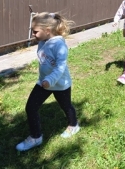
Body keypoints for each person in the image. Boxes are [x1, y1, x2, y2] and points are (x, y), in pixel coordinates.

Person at [16, 12, 80, 152]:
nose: (33, 34)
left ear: (47, 31)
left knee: (66, 106)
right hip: (43, 83)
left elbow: (60, 67)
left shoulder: (60, 46)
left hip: (60, 84)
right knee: (31, 107)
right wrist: (45, 80)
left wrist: (49, 80)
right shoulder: (42, 41)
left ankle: (73, 125)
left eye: (35, 31)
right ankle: (36, 137)